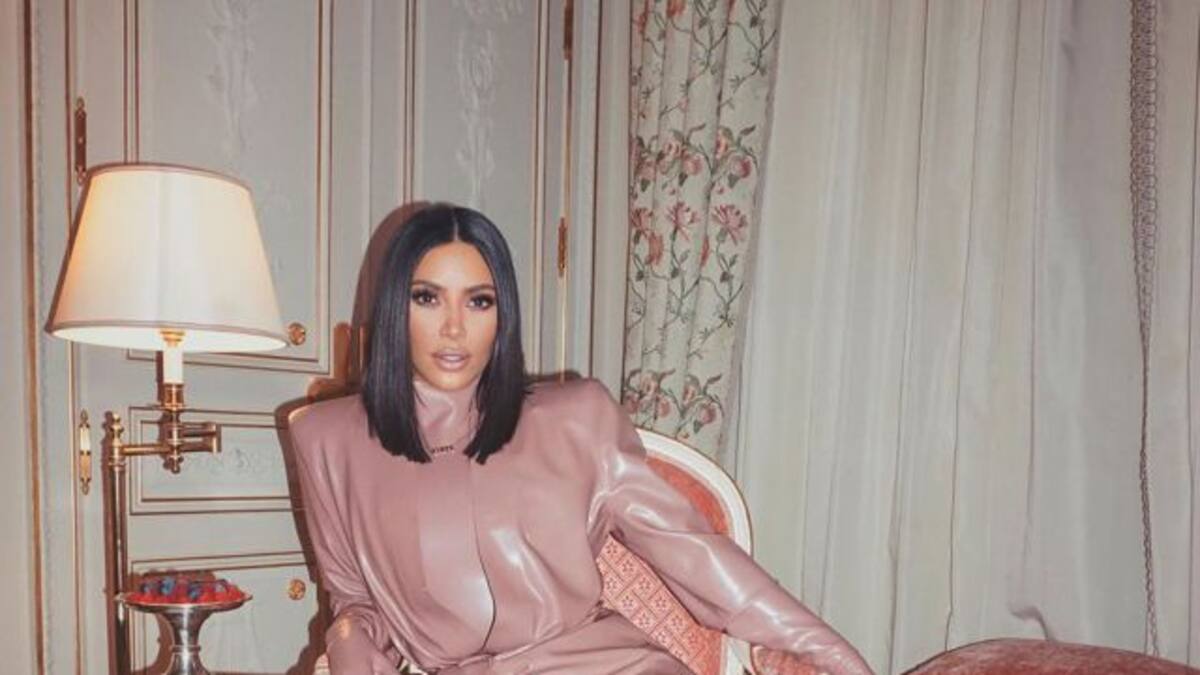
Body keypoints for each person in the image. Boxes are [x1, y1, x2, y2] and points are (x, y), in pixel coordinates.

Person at [288, 205, 873, 675]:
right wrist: (348, 634)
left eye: (479, 301)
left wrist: (819, 647)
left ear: (503, 315)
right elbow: (353, 594)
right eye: (428, 297)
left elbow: (694, 552)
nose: (454, 327)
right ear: (396, 305)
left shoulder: (576, 418)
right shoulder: (327, 439)